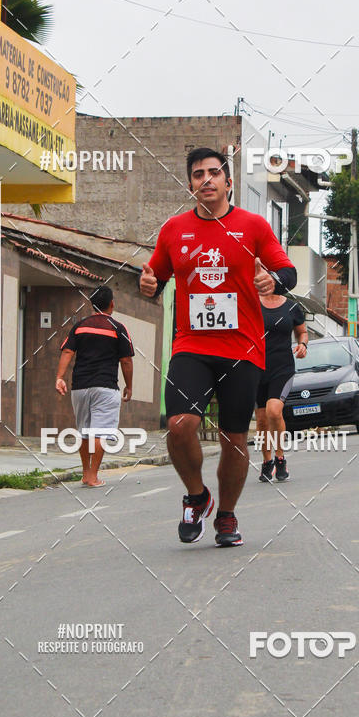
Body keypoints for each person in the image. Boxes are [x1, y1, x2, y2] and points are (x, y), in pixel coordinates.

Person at [140, 147, 297, 547]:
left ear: (228, 182)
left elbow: (287, 271)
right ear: (190, 184)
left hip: (242, 348)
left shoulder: (253, 226)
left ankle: (226, 515)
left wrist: (273, 283)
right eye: (197, 175)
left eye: (213, 173)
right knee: (179, 425)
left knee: (234, 438)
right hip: (191, 344)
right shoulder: (174, 229)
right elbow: (155, 279)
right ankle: (196, 495)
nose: (206, 180)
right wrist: (148, 287)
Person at [56, 286, 134, 486]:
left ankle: (84, 473)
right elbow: (126, 360)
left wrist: (60, 377)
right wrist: (129, 386)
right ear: (111, 304)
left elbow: (67, 352)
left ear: (92, 304)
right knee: (98, 433)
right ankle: (92, 476)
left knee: (84, 432)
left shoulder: (80, 326)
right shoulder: (118, 328)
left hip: (80, 387)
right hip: (105, 387)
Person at [256, 293, 308, 482]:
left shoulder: (292, 307)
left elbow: (302, 331)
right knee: (261, 421)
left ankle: (280, 457)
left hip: (282, 368)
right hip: (257, 368)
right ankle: (266, 461)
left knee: (274, 411)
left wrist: (302, 344)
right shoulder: (251, 303)